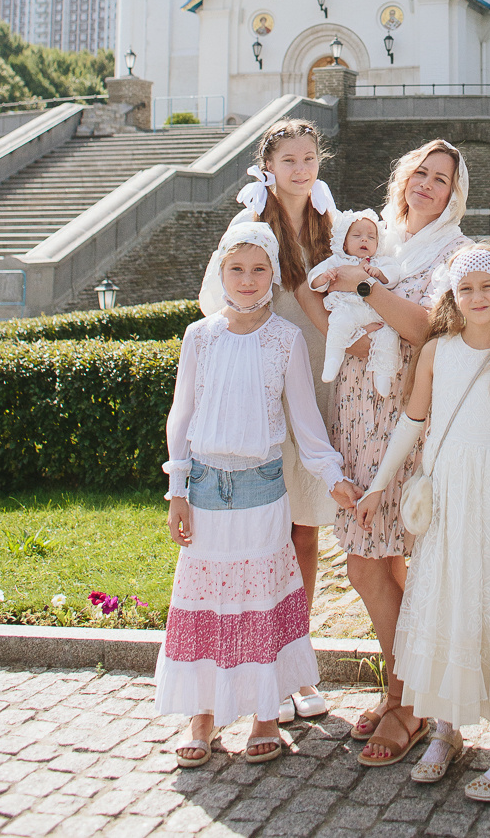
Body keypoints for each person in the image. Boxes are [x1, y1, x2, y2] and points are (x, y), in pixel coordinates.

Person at [356, 244, 490, 799]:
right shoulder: (437, 352)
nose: (477, 297)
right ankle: (446, 728)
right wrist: (378, 486)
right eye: (466, 288)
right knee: (448, 601)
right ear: (452, 295)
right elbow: (412, 422)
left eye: (487, 287)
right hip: (449, 497)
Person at [158, 223, 360, 767]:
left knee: (260, 602)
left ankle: (266, 713)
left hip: (263, 491)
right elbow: (182, 414)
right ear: (220, 272)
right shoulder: (199, 337)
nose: (246, 280)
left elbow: (307, 423)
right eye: (236, 269)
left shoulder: (285, 340)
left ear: (273, 275)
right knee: (206, 603)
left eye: (258, 270)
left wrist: (332, 476)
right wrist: (178, 490)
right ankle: (202, 714)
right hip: (205, 491)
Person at [321, 140, 471, 765]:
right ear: (404, 176)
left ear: (454, 194)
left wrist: (362, 289)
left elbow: (426, 326)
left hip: (405, 414)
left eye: (441, 179)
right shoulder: (376, 237)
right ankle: (406, 688)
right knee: (380, 562)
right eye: (421, 173)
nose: (427, 185)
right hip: (358, 409)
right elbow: (323, 289)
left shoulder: (452, 252)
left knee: (370, 563)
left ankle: (407, 699)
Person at [203, 117, 337, 720]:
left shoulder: (329, 222)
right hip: (262, 383)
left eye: (309, 158)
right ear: (268, 166)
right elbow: (217, 299)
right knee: (266, 532)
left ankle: (294, 661)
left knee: (304, 527)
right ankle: (262, 661)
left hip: (315, 376)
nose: (301, 170)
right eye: (289, 160)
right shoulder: (251, 224)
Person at [308, 209, 401, 395]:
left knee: (388, 335)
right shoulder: (337, 260)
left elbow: (394, 276)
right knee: (338, 324)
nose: (364, 239)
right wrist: (324, 277)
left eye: (371, 237)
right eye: (357, 236)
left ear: (378, 243)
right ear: (344, 242)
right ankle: (332, 359)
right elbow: (313, 279)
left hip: (375, 312)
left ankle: (383, 374)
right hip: (348, 308)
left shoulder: (380, 262)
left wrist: (380, 274)